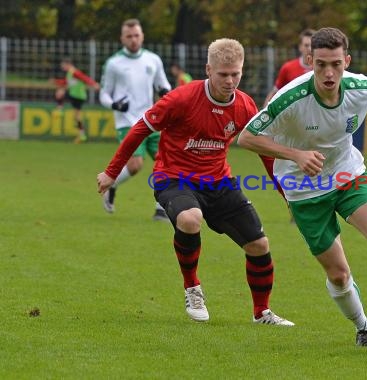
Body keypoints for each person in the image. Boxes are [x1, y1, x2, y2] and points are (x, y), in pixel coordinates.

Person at [238, 27, 367, 346]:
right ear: (310, 61)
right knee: (338, 274)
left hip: (347, 173)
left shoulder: (359, 87)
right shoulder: (291, 98)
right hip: (303, 188)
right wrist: (296, 154)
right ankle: (363, 326)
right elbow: (247, 137)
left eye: (335, 63)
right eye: (321, 64)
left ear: (346, 61)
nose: (329, 72)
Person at [96, 38, 294, 326]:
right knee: (190, 220)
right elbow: (139, 129)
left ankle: (261, 312)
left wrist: (284, 190)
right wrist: (112, 172)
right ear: (208, 70)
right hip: (174, 178)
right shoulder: (182, 99)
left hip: (219, 183)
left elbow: (264, 150)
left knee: (259, 245)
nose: (229, 81)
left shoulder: (245, 106)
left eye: (235, 74)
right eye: (223, 74)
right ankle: (192, 288)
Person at [98, 18, 172, 221]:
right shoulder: (114, 64)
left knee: (167, 162)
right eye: (129, 36)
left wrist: (167, 93)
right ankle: (111, 183)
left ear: (142, 36)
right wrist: (114, 105)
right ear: (122, 38)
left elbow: (163, 84)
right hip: (127, 121)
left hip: (152, 120)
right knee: (135, 165)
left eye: (136, 35)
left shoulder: (153, 60)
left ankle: (161, 208)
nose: (133, 40)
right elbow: (103, 94)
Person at [260, 29, 316, 223]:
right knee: (292, 166)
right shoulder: (289, 68)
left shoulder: (323, 69)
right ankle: (295, 204)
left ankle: (313, 204)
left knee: (316, 165)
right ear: (301, 47)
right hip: (291, 126)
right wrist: (265, 111)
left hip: (318, 126)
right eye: (306, 45)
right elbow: (276, 92)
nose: (309, 48)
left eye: (312, 45)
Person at [53, 58, 100, 143]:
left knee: (60, 93)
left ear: (68, 64)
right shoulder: (70, 73)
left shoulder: (74, 72)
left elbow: (84, 78)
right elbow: (66, 82)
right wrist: (56, 81)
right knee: (77, 116)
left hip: (77, 95)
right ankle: (82, 135)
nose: (62, 67)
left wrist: (93, 84)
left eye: (63, 65)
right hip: (74, 95)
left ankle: (59, 110)